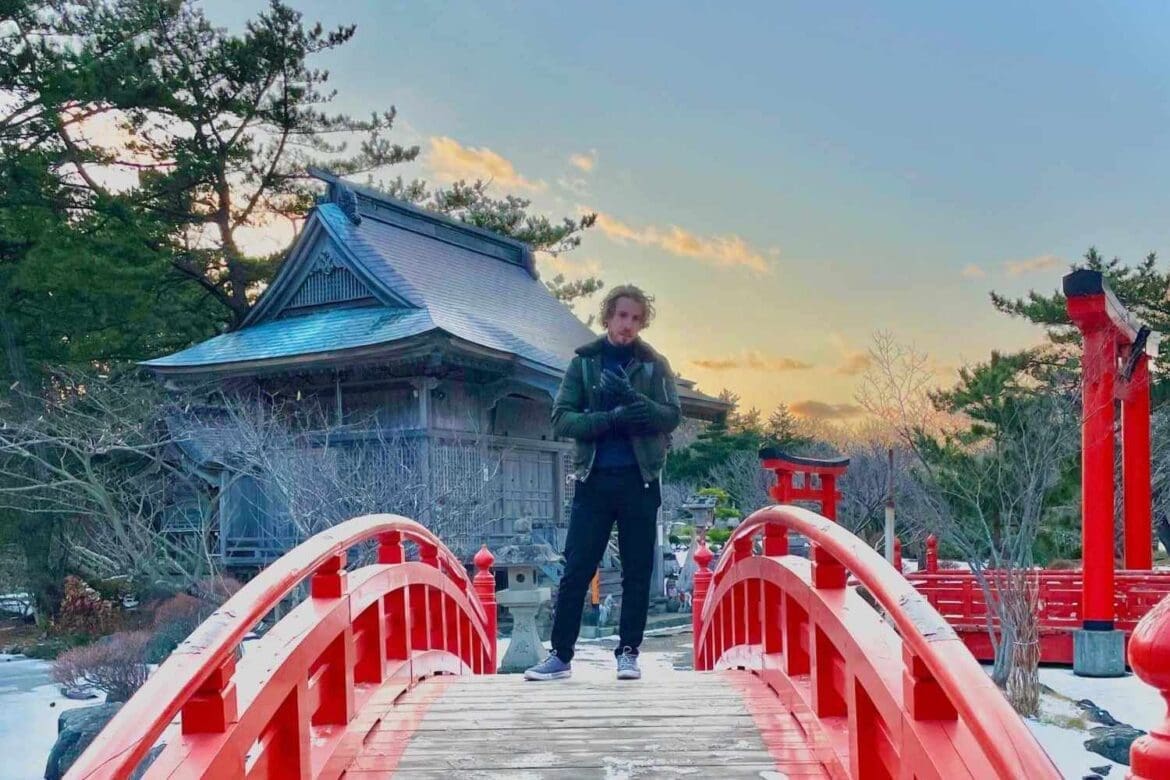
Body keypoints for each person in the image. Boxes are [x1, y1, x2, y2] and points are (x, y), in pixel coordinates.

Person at [525, 285, 681, 681]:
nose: (627, 325)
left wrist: (635, 402)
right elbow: (561, 418)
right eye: (622, 315)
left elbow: (671, 416)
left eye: (636, 318)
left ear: (642, 323)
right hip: (593, 479)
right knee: (577, 568)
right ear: (608, 316)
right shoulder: (584, 364)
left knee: (637, 570)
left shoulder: (654, 365)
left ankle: (628, 652)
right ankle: (560, 655)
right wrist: (608, 419)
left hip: (640, 479)